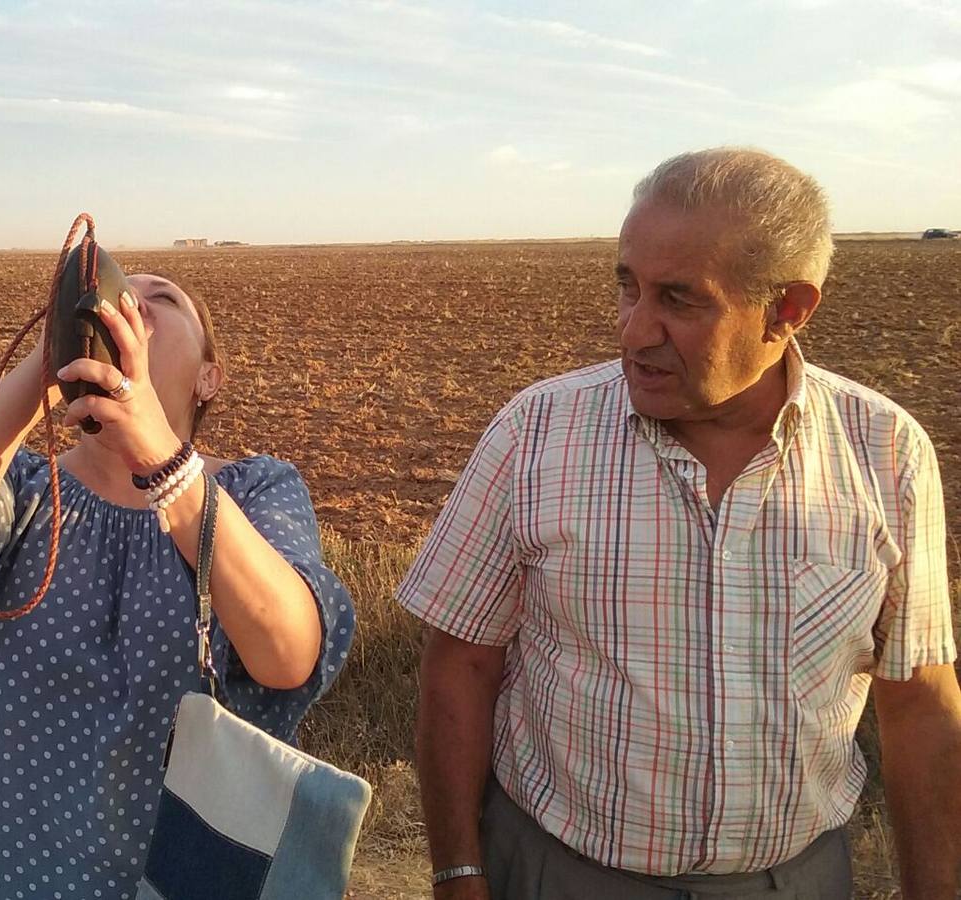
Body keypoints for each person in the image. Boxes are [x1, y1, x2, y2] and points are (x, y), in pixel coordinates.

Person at [401, 148, 959, 899]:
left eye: (679, 299)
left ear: (788, 310)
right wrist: (460, 874)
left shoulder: (886, 453)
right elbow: (460, 666)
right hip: (557, 873)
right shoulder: (536, 433)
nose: (634, 332)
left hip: (792, 881)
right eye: (627, 288)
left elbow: (919, 700)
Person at [0, 272, 355, 899]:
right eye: (121, 295)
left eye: (163, 301)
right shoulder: (26, 490)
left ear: (208, 378)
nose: (133, 304)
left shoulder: (255, 492)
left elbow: (288, 653)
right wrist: (42, 366)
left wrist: (163, 462)